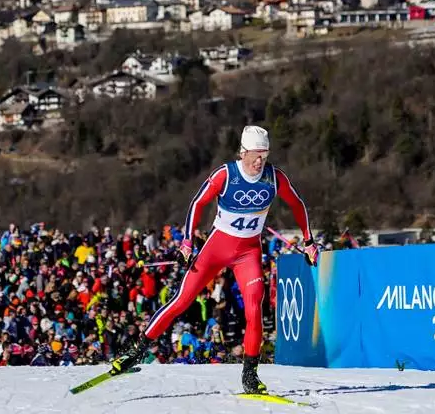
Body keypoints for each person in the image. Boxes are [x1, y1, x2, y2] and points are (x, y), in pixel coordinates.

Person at [110, 125, 317, 395]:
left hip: (248, 253)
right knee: (181, 300)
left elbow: (297, 204)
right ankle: (135, 351)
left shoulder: (273, 178)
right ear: (242, 152)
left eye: (264, 156)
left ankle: (250, 375)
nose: (260, 162)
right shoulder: (226, 174)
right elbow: (198, 203)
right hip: (216, 248)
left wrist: (309, 241)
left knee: (254, 308)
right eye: (255, 155)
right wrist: (186, 243)